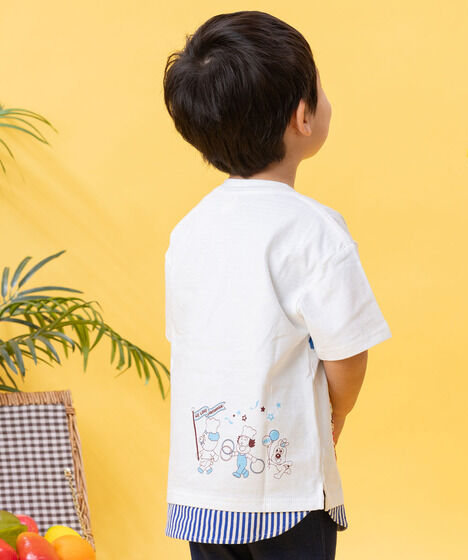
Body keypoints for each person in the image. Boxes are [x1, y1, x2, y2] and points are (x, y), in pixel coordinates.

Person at [162, 10, 392, 560]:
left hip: (203, 489)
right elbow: (347, 354)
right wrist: (336, 417)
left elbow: (188, 340)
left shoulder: (189, 230)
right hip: (288, 490)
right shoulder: (315, 230)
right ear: (302, 118)